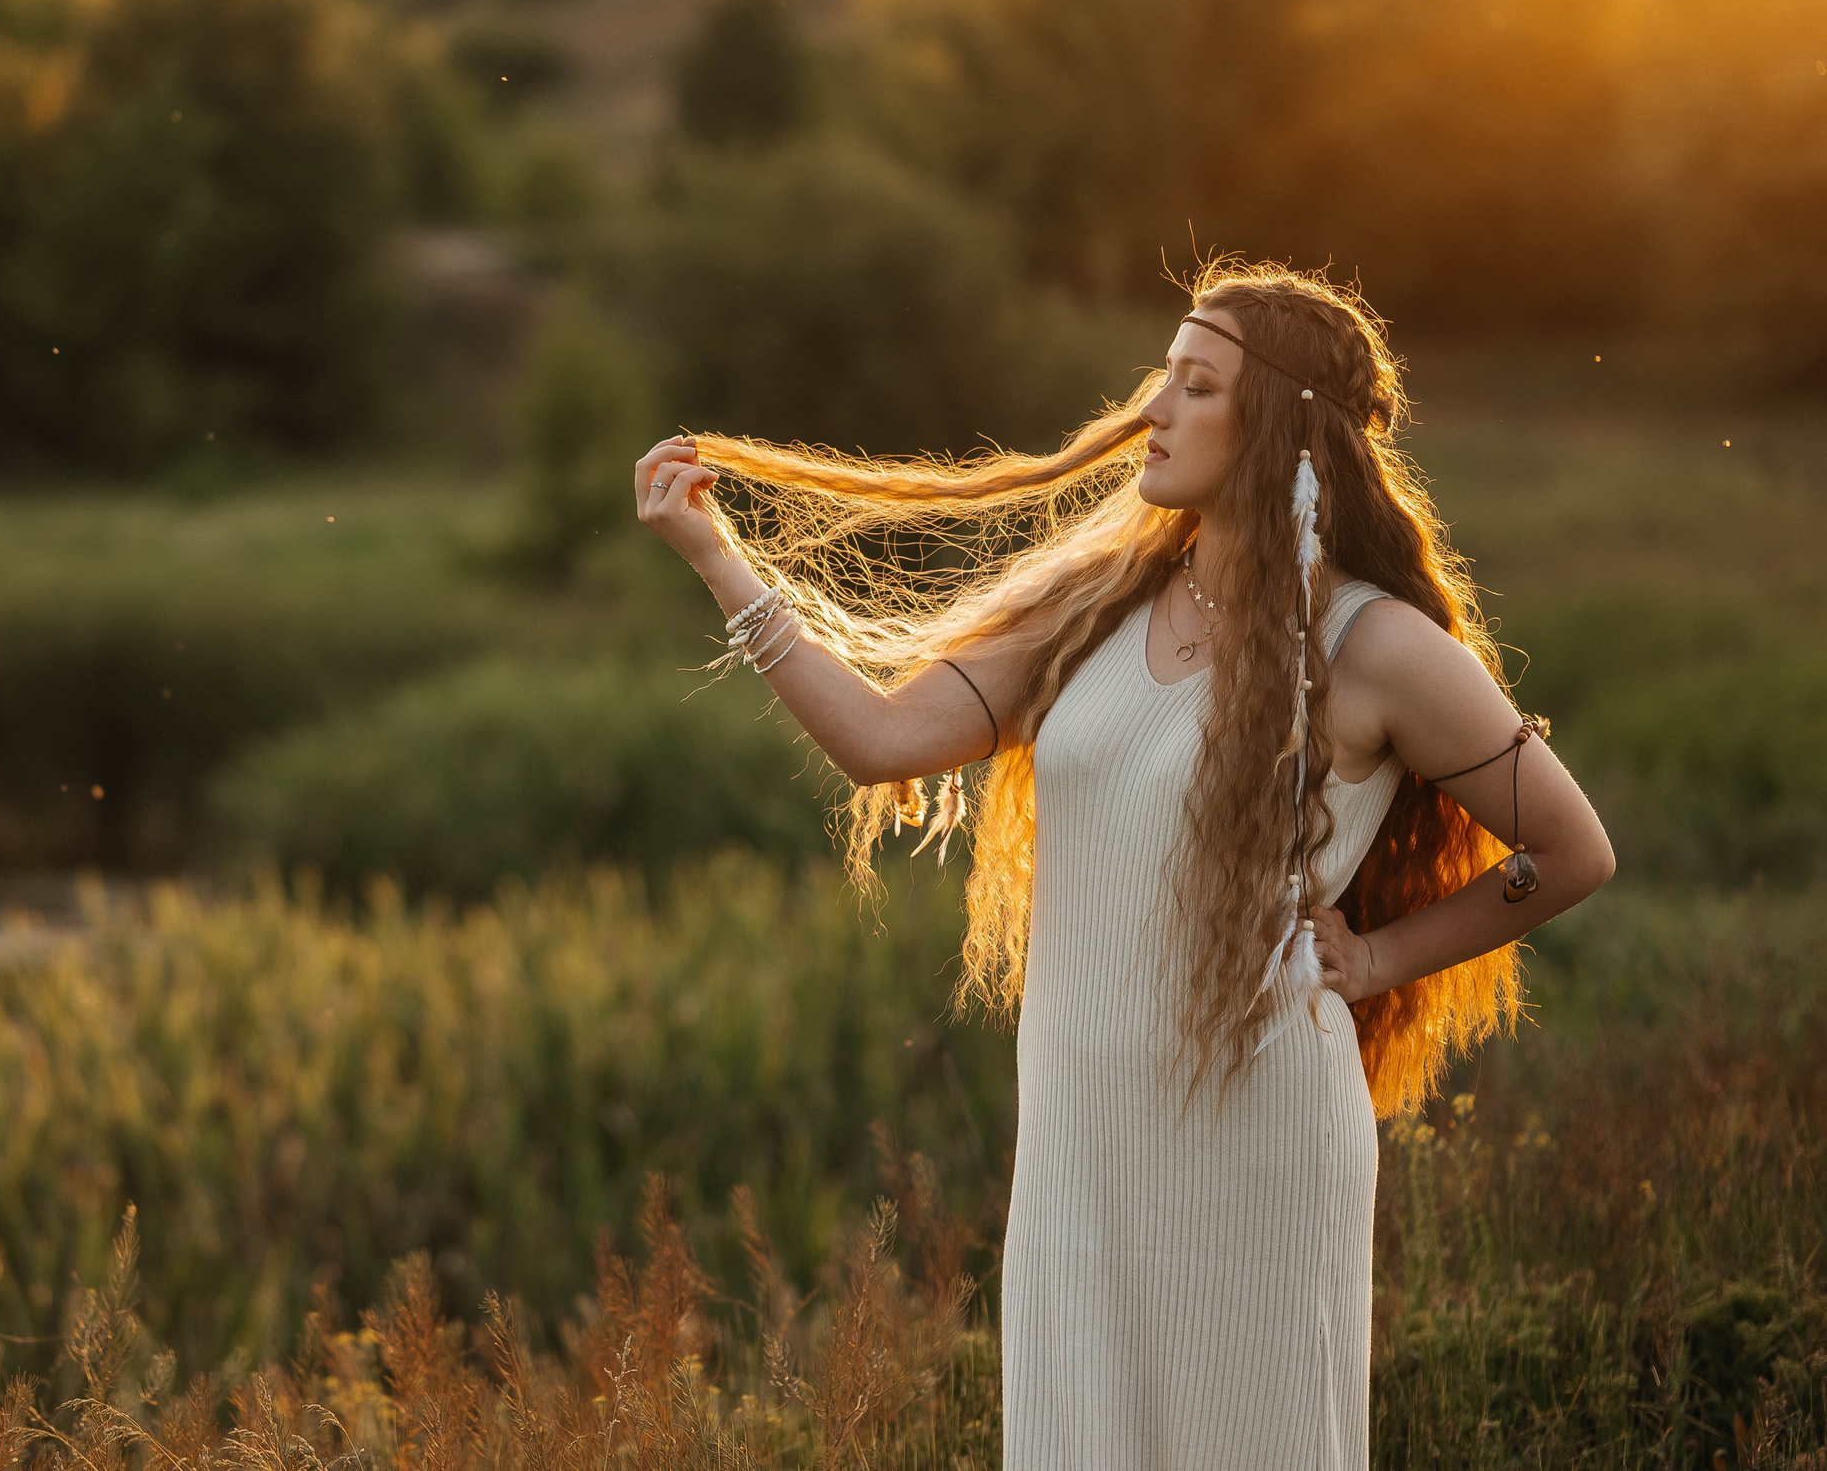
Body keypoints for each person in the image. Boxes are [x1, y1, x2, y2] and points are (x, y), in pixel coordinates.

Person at [632, 260, 1616, 1470]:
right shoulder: (1094, 605)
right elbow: (880, 742)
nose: (1151, 409)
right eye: (1164, 377)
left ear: (1277, 427)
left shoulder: (1376, 646)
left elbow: (1571, 851)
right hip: (1082, 1143)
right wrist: (716, 558)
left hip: (1262, 1140)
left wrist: (1376, 959)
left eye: (1195, 386)